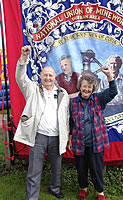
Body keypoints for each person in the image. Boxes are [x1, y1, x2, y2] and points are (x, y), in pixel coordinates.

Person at [14, 45, 70, 200]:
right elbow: (20, 77)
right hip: (38, 137)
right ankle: (32, 197)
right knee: (34, 170)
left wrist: (68, 135)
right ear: (40, 76)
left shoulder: (63, 94)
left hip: (57, 137)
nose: (48, 78)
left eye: (50, 75)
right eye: (45, 75)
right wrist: (23, 59)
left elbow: (66, 116)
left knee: (57, 167)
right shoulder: (32, 89)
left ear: (55, 77)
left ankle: (55, 188)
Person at [68, 66, 117, 200]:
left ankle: (100, 191)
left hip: (96, 142)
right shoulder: (72, 103)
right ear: (79, 86)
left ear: (93, 89)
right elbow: (71, 122)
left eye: (89, 87)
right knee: (81, 168)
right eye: (84, 86)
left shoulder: (99, 99)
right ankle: (83, 188)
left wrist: (108, 75)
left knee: (97, 169)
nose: (87, 89)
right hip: (79, 142)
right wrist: (70, 138)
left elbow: (113, 92)